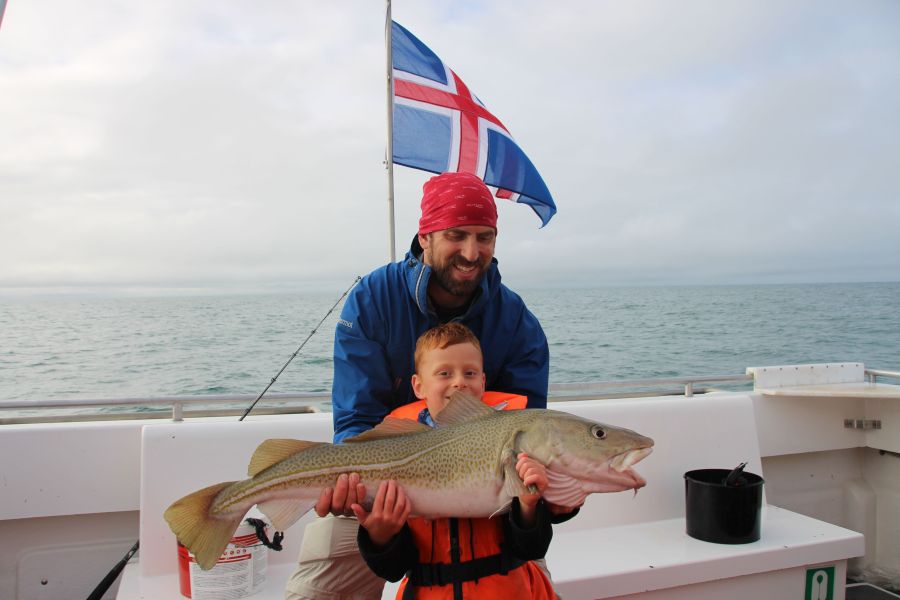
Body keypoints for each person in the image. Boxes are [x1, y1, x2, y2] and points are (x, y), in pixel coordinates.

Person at [285, 172, 549, 600]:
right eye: (456, 235)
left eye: (485, 236)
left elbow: (530, 434)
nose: (471, 252)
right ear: (424, 236)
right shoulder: (373, 298)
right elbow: (356, 416)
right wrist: (358, 494)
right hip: (381, 478)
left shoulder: (516, 321)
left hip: (485, 488)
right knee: (314, 595)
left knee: (528, 568)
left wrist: (543, 505)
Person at [354, 322, 566, 599]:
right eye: (444, 373)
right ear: (418, 386)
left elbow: (531, 549)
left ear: (483, 381)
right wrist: (380, 536)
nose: (459, 382)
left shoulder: (513, 446)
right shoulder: (393, 449)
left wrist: (528, 508)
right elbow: (394, 569)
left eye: (470, 373)